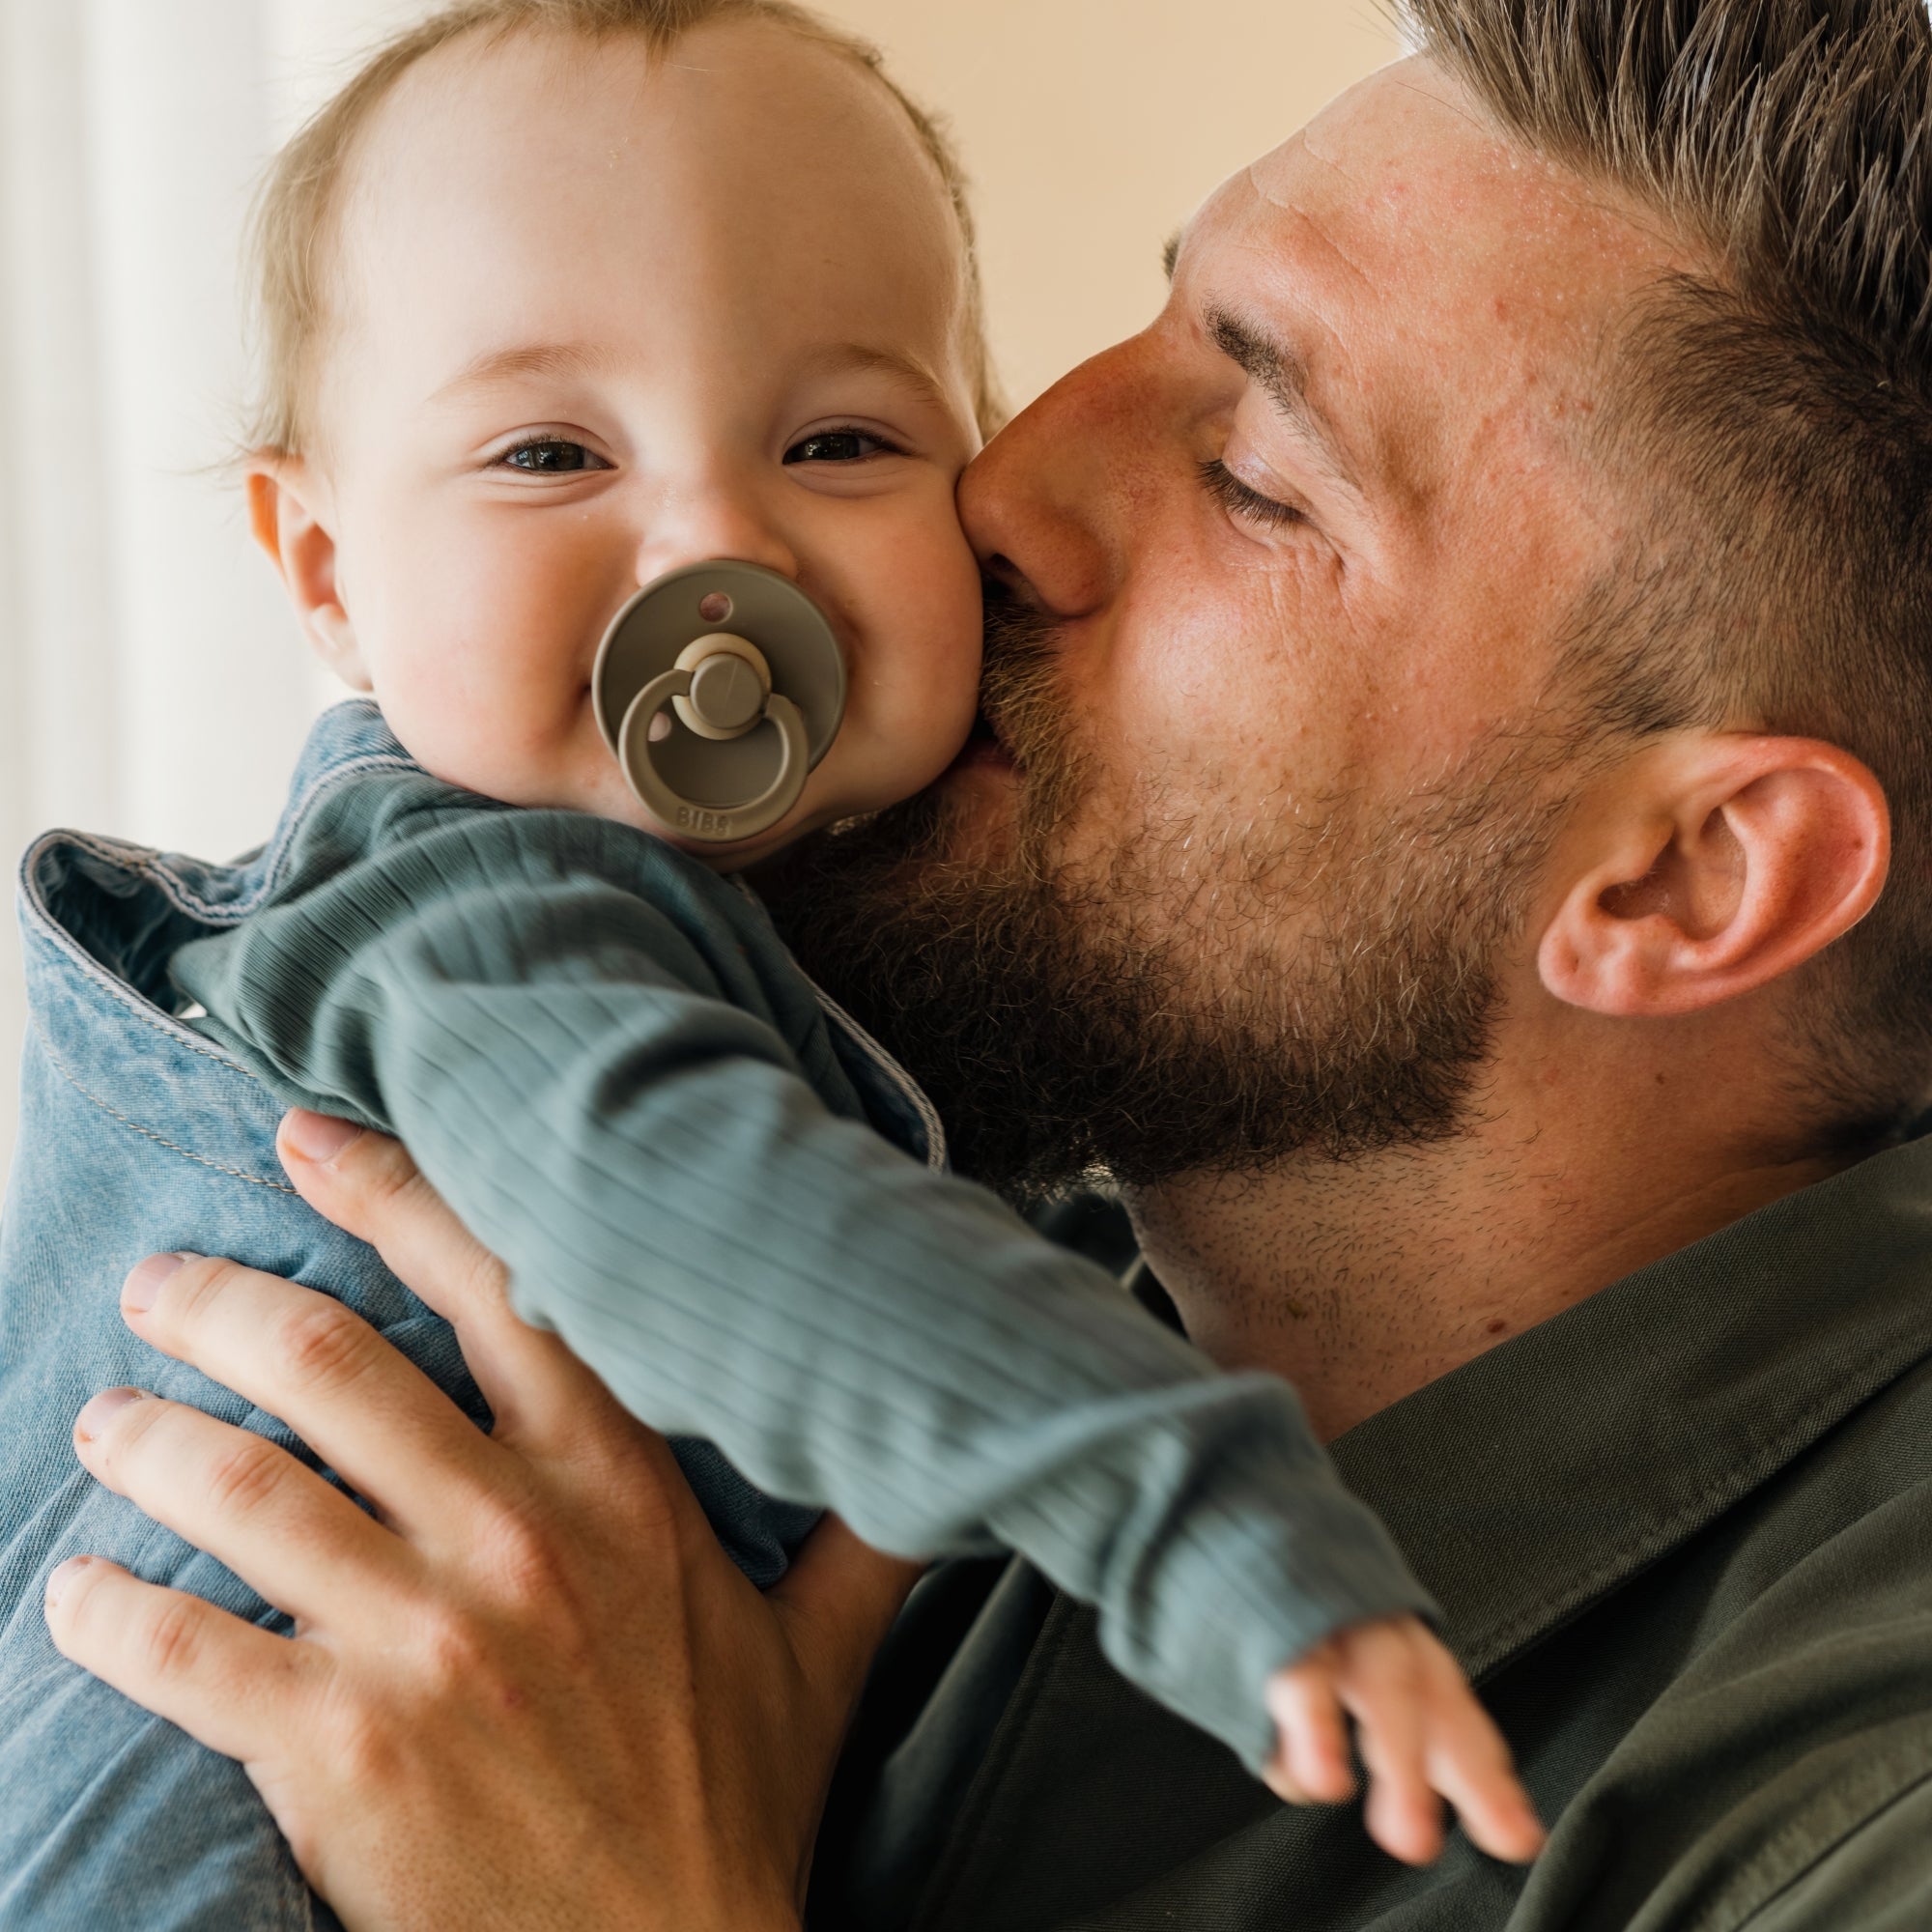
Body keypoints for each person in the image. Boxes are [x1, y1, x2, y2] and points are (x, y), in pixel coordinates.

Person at [39, 0, 1932, 1925]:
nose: (1001, 489)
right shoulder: (867, 1217)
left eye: (1258, 473)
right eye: (1153, 313)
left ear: (1687, 876)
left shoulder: (1858, 1802)